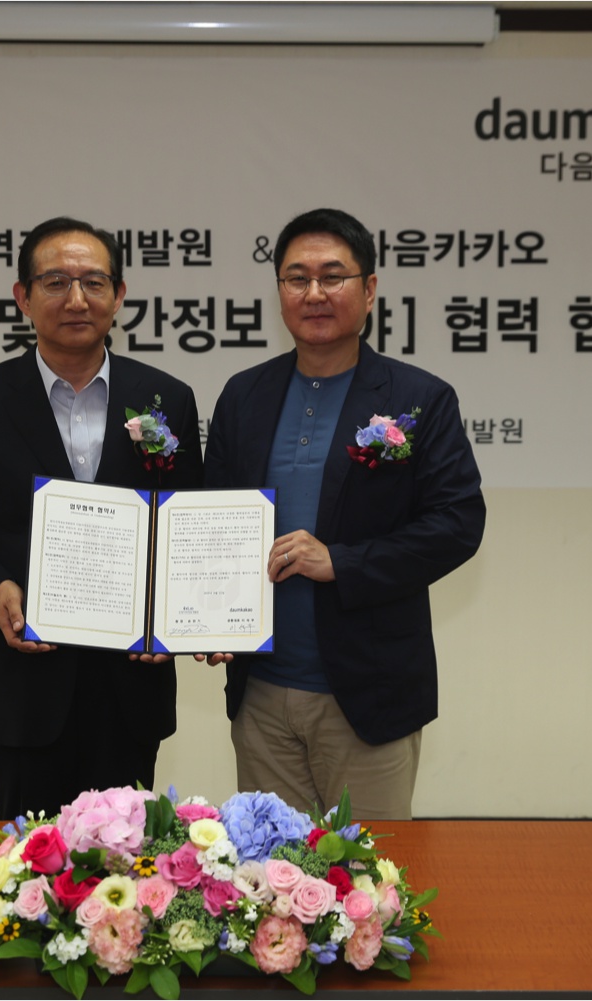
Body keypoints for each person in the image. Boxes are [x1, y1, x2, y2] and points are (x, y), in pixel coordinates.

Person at [200, 208, 485, 820]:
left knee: (367, 874)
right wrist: (202, 618)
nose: (314, 293)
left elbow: (457, 524)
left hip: (368, 693)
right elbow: (209, 519)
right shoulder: (243, 396)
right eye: (296, 278)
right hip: (260, 694)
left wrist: (342, 562)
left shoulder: (419, 398)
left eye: (333, 276)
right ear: (279, 290)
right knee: (267, 870)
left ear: (370, 288)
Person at [0, 216, 203, 820]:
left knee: (129, 862)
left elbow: (187, 526)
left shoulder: (167, 398)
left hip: (131, 686)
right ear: (23, 297)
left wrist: (176, 621)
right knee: (29, 864)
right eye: (55, 282)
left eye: (94, 282)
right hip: (24, 690)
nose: (76, 299)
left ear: (118, 296)